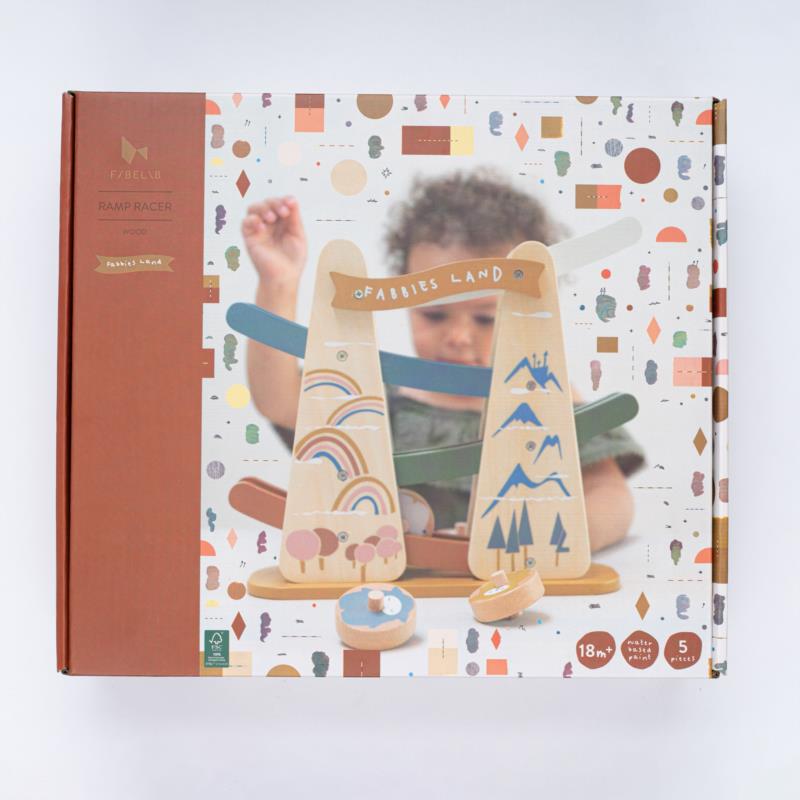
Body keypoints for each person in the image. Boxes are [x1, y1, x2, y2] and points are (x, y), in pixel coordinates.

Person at [242, 170, 643, 551]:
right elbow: (279, 401)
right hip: (393, 580)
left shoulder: (547, 398)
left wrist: (556, 539)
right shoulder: (378, 395)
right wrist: (279, 283)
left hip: (514, 576)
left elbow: (609, 494)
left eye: (486, 318)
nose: (458, 337)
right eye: (434, 315)